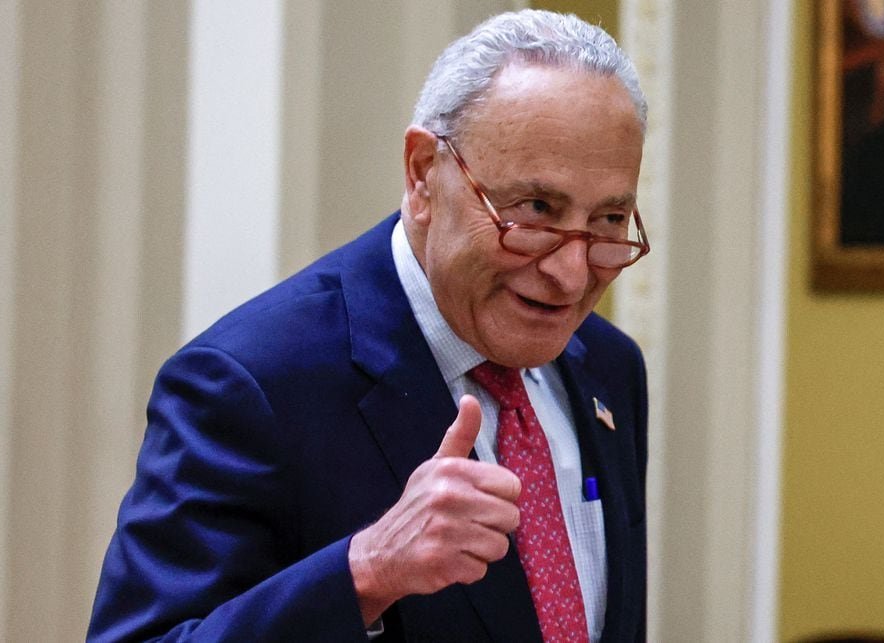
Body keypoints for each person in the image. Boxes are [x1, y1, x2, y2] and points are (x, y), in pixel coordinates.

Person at [88, 9, 650, 642]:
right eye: (536, 210)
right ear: (422, 175)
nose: (573, 275)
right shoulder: (252, 383)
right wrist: (365, 574)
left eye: (607, 221)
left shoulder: (608, 366)